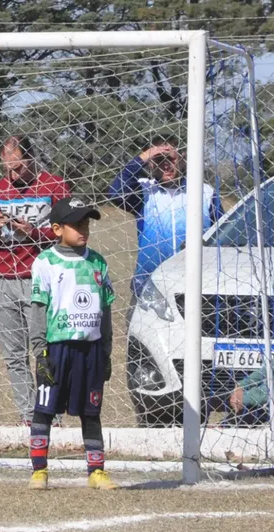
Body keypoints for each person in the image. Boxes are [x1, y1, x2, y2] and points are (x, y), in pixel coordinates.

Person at [28, 197, 118, 491]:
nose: (84, 229)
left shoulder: (98, 262)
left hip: (89, 350)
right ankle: (39, 470)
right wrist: (40, 351)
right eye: (77, 223)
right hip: (56, 348)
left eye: (87, 223)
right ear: (56, 229)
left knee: (91, 412)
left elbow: (105, 312)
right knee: (44, 409)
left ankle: (96, 470)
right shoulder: (45, 263)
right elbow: (39, 309)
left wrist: (105, 351)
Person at [0, 136, 70, 425]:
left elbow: (69, 233)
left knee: (43, 350)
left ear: (31, 160)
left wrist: (33, 232)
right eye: (7, 167)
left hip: (40, 279)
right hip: (2, 279)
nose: (12, 174)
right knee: (13, 355)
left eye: (18, 167)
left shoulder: (54, 186)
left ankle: (50, 414)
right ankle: (28, 416)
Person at [108, 135, 224, 300]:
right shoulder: (144, 191)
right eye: (158, 159)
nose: (165, 165)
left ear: (182, 158)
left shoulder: (204, 192)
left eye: (170, 158)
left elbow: (222, 234)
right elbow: (115, 192)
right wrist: (143, 157)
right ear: (149, 162)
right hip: (151, 286)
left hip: (199, 283)